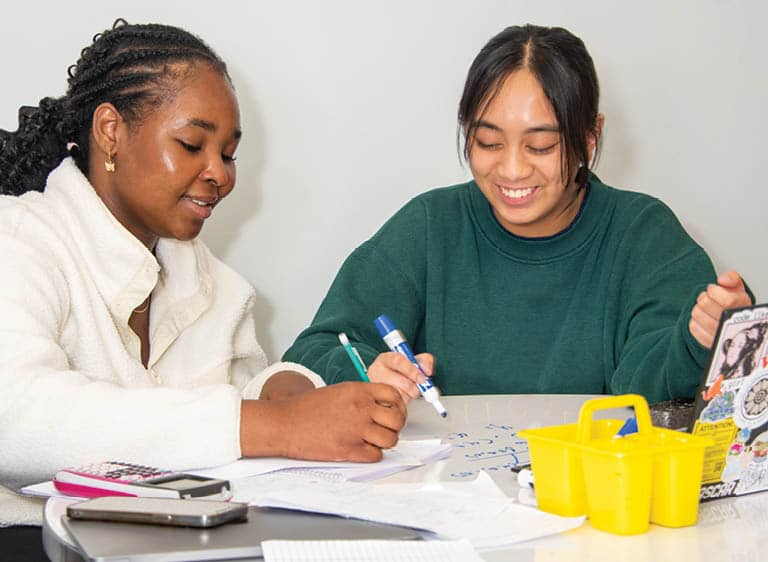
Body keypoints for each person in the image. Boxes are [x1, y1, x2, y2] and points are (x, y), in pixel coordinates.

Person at [0, 19, 405, 538]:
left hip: (172, 541)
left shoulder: (209, 279)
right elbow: (15, 418)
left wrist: (290, 394)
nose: (221, 173)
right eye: (193, 144)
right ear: (110, 132)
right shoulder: (19, 241)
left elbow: (236, 399)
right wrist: (278, 426)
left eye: (229, 153)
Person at [283, 24, 753, 405]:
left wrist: (704, 340)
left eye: (541, 145)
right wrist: (366, 368)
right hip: (450, 499)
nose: (511, 169)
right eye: (488, 142)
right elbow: (313, 349)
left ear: (590, 138)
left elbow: (650, 387)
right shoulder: (429, 227)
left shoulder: (646, 236)